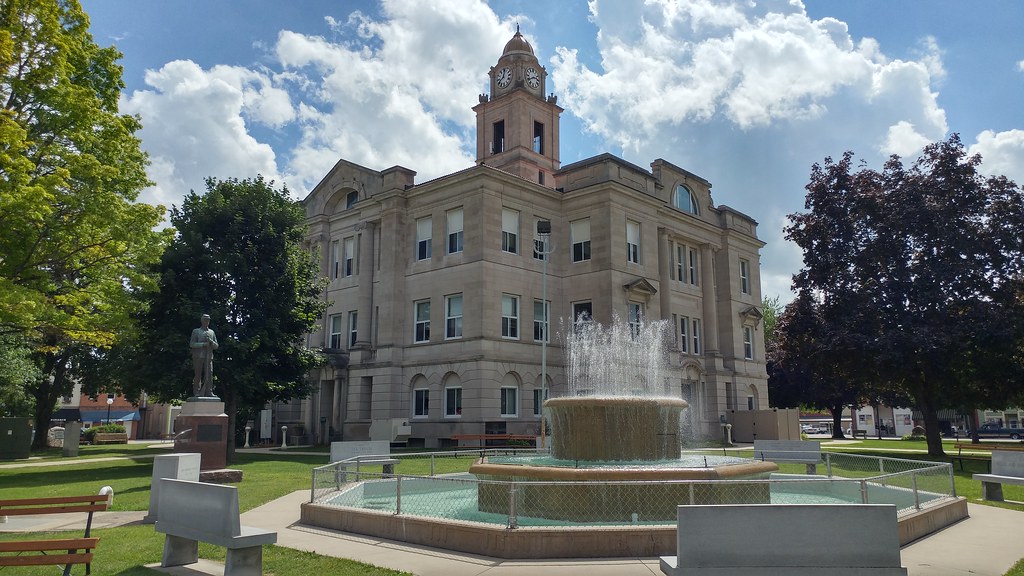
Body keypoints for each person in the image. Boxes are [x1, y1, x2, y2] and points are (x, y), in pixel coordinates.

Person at [189, 313, 219, 397]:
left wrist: (211, 342)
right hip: (198, 356)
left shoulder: (211, 332)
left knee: (209, 374)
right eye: (205, 320)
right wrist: (203, 344)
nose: (207, 321)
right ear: (202, 321)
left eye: (208, 320)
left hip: (209, 356)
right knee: (198, 374)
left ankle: (209, 391)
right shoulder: (196, 331)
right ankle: (197, 391)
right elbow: (192, 344)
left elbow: (216, 346)